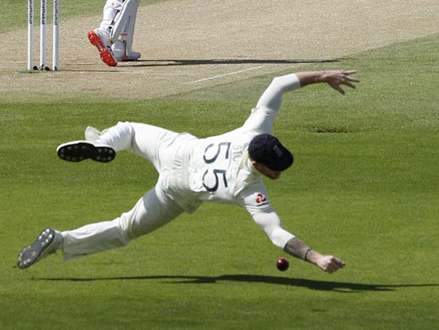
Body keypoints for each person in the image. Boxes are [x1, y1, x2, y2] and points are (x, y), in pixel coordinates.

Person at [16, 70, 358, 273]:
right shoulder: (247, 189)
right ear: (256, 164)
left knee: (130, 130)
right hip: (178, 188)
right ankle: (61, 241)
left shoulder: (254, 132)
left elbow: (278, 84)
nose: (277, 175)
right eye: (274, 170)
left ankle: (104, 142)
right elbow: (275, 233)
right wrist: (315, 257)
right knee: (124, 229)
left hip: (178, 148)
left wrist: (322, 76)